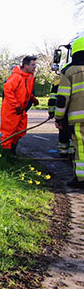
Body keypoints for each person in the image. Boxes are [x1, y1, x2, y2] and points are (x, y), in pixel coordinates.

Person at [55, 31, 84, 187]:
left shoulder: (69, 72)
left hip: (79, 119)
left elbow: (62, 99)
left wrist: (59, 118)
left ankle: (81, 179)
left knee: (81, 148)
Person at [0, 56, 38, 156]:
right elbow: (8, 91)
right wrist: (16, 105)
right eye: (33, 65)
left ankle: (12, 152)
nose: (35, 67)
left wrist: (32, 98)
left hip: (21, 110)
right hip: (11, 110)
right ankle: (6, 156)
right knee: (9, 133)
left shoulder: (28, 76)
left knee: (20, 131)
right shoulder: (16, 76)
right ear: (26, 65)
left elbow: (24, 91)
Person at [48, 74, 72, 158]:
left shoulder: (56, 84)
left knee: (63, 133)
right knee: (74, 134)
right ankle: (72, 153)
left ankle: (63, 152)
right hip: (74, 112)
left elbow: (52, 100)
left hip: (63, 113)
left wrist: (52, 113)